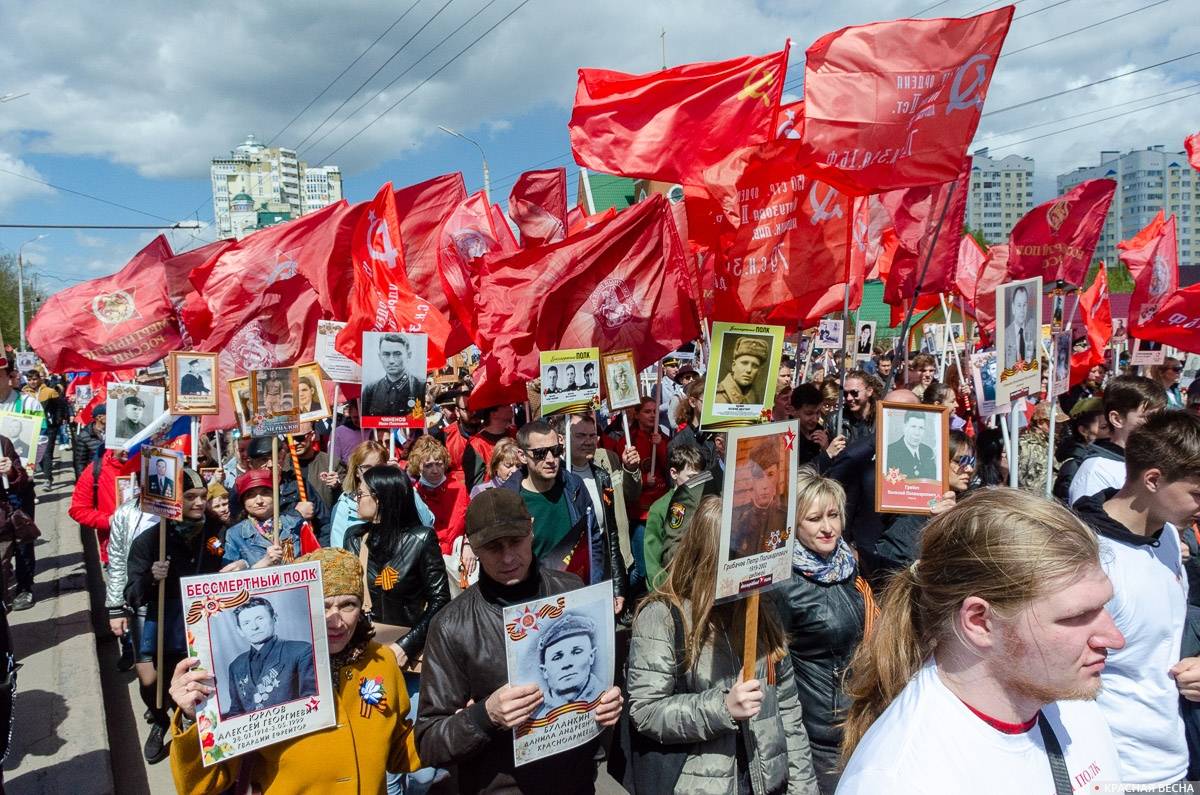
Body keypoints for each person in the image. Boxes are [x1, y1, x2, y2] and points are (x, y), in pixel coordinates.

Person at [838, 489, 1126, 793]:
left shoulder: (1072, 702)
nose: (1115, 639)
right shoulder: (901, 780)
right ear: (979, 621)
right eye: (1076, 616)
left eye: (1103, 607)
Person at [415, 489, 623, 793]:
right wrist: (485, 716)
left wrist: (607, 706)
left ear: (532, 529)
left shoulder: (570, 591)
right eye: (493, 547)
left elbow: (598, 686)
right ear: (473, 547)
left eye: (515, 541)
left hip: (575, 782)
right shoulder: (451, 626)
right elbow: (430, 741)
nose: (508, 557)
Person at [169, 547, 421, 793]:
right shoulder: (243, 667)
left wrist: (452, 727)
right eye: (323, 605)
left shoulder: (381, 660)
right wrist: (197, 718)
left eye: (348, 604)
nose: (335, 620)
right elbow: (204, 784)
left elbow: (399, 752)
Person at [627, 496, 819, 795]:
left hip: (766, 780)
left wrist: (804, 788)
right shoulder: (662, 616)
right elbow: (646, 711)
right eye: (740, 555)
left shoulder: (760, 606)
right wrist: (723, 707)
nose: (751, 566)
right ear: (712, 556)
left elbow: (788, 708)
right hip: (701, 784)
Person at [1072, 411, 1200, 787]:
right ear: (1153, 479)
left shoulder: (1170, 538)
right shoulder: (1086, 558)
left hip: (1173, 759)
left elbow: (1165, 637)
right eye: (1196, 493)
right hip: (1116, 772)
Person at [775, 471, 876, 794]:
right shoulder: (783, 583)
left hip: (859, 717)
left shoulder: (847, 564)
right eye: (814, 518)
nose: (827, 528)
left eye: (833, 515)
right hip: (818, 732)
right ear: (794, 524)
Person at [124, 469, 224, 761]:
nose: (198, 503)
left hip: (207, 620)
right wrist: (152, 577)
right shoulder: (150, 540)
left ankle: (199, 730)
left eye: (203, 497)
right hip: (166, 623)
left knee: (202, 678)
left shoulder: (216, 531)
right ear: (174, 502)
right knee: (159, 682)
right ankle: (159, 721)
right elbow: (132, 593)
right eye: (190, 497)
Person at [343, 464, 450, 666]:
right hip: (363, 651)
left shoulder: (421, 539)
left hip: (408, 655)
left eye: (360, 494)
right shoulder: (354, 538)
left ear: (380, 498)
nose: (356, 500)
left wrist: (405, 646)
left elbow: (440, 601)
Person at [502, 420, 602, 585]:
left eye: (556, 451)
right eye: (540, 453)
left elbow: (593, 539)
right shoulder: (508, 500)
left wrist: (594, 583)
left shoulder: (574, 486)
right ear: (522, 456)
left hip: (576, 588)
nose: (550, 459)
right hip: (533, 596)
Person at [872, 431, 974, 580]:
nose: (969, 469)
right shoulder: (910, 514)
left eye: (970, 461)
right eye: (960, 461)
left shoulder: (966, 506)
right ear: (938, 462)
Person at [561, 414, 631, 613]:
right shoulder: (556, 479)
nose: (589, 441)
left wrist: (617, 587)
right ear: (563, 438)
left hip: (598, 574)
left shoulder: (602, 476)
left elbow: (612, 535)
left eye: (593, 436)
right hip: (565, 579)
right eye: (581, 435)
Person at [1068, 375, 1167, 505]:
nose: (1160, 424)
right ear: (1117, 419)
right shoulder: (1096, 472)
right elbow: (1088, 523)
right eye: (1148, 417)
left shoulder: (1157, 460)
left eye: (1162, 416)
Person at [221, 596, 318, 718]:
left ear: (275, 619)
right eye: (246, 623)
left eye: (260, 619)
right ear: (240, 630)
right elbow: (236, 712)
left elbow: (312, 703)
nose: (254, 627)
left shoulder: (301, 651)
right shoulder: (236, 666)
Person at [409, 435, 472, 593]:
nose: (435, 470)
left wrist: (469, 544)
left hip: (459, 560)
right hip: (427, 563)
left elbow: (472, 522)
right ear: (419, 467)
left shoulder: (459, 489)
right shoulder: (413, 494)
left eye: (439, 464)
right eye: (429, 465)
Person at [642, 444, 707, 591]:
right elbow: (652, 560)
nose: (698, 482)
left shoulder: (706, 503)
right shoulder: (659, 509)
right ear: (674, 473)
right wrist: (665, 591)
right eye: (691, 477)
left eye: (701, 477)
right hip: (672, 588)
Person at [222, 468, 306, 569]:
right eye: (251, 495)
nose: (259, 501)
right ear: (243, 502)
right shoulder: (235, 534)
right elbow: (228, 578)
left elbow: (314, 560)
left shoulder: (296, 524)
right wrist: (261, 564)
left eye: (265, 493)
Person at [531, 613, 606, 718]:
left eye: (576, 652)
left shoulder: (606, 695)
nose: (567, 664)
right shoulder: (534, 711)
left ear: (591, 656)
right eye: (557, 657)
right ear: (544, 671)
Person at [730, 440, 788, 559]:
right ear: (751, 478)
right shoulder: (737, 517)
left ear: (777, 476)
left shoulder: (786, 517)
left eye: (770, 475)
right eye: (759, 476)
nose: (765, 485)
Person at [330, 440, 388, 549]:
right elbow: (338, 551)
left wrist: (400, 480)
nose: (373, 473)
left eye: (379, 467)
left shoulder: (395, 497)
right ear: (357, 471)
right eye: (367, 467)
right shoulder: (345, 506)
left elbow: (425, 522)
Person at [361, 333, 423, 418]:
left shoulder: (420, 387)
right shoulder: (370, 389)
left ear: (409, 355)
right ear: (380, 357)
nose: (391, 361)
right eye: (386, 354)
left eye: (397, 354)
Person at [22, 369, 64, 485]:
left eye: (35, 379)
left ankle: (47, 479)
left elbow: (59, 407)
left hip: (48, 427)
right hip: (30, 427)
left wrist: (57, 421)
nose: (32, 382)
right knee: (33, 454)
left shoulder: (50, 391)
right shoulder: (23, 393)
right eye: (30, 380)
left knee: (46, 452)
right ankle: (30, 480)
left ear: (40, 379)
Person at [1017, 399, 1067, 495]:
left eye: (1061, 423)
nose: (1060, 426)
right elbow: (1034, 483)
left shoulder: (1050, 441)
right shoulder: (1032, 445)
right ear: (1040, 423)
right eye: (1055, 423)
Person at [461, 404, 515, 490]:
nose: (510, 407)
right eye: (505, 405)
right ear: (493, 414)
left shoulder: (516, 434)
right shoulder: (476, 445)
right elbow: (475, 487)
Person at [884, 410, 937, 481]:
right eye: (913, 427)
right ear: (904, 427)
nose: (917, 433)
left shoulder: (927, 451)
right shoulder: (890, 451)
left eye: (921, 428)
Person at [715, 335, 769, 405]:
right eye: (744, 363)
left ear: (759, 371)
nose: (749, 370)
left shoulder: (754, 394)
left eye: (755, 366)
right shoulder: (719, 396)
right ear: (733, 366)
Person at [1001, 283, 1038, 370]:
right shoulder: (1006, 334)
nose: (1022, 310)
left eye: (1024, 305)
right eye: (1019, 305)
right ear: (1013, 308)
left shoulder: (1033, 326)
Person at [72, 404, 106, 477]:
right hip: (93, 475)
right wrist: (82, 479)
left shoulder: (112, 433)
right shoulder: (85, 435)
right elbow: (80, 461)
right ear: (99, 417)